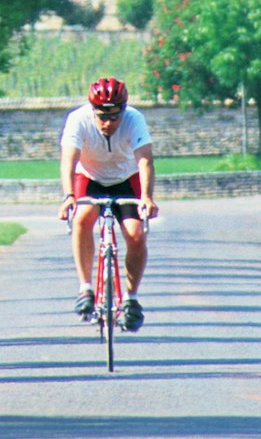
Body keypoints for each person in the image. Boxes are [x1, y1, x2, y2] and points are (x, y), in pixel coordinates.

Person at [57, 76, 157, 331]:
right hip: (89, 177)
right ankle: (85, 288)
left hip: (126, 177)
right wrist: (69, 196)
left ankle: (131, 300)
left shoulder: (134, 119)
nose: (108, 123)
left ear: (124, 111)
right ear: (93, 111)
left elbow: (144, 160)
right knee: (82, 218)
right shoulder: (78, 120)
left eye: (114, 117)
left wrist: (147, 197)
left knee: (135, 235)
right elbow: (69, 160)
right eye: (102, 116)